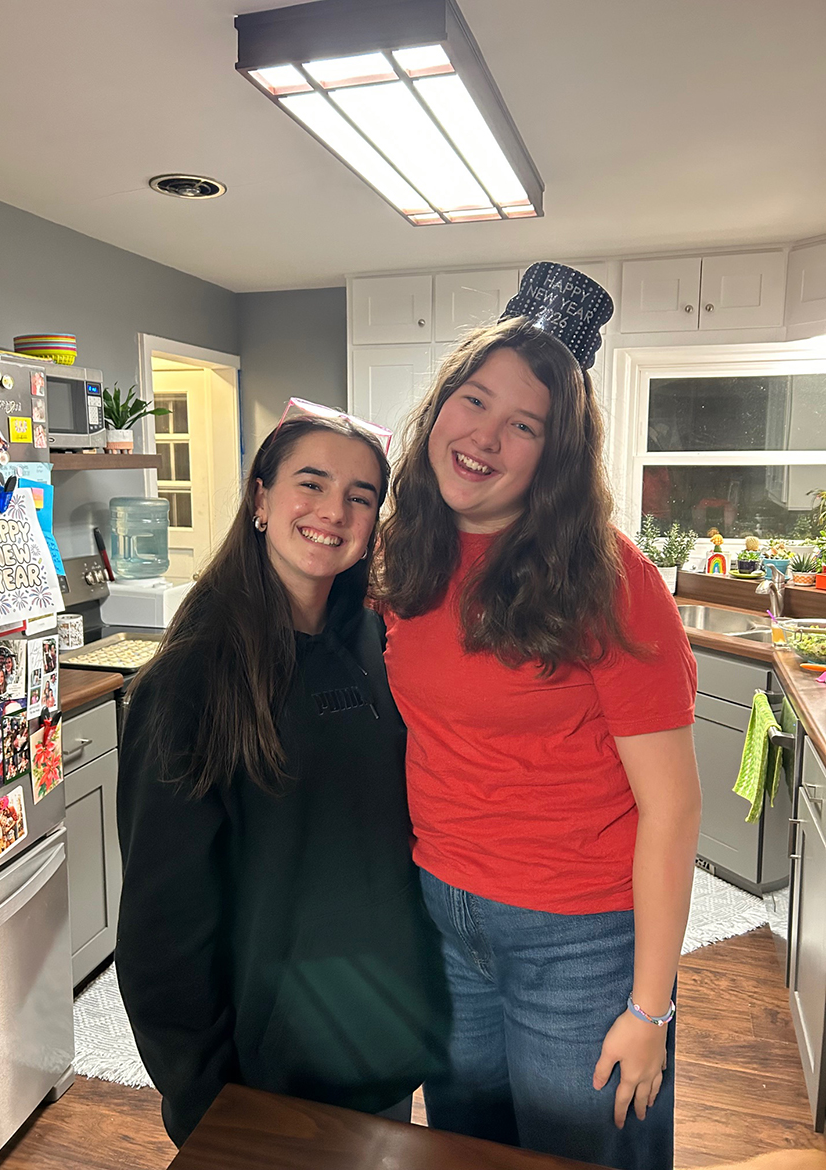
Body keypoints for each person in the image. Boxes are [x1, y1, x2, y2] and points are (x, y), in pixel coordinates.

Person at [376, 262, 701, 1170]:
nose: (485, 437)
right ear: (440, 406)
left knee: (584, 1154)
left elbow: (673, 809)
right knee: (468, 1145)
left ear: (555, 456)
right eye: (474, 401)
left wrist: (649, 1008)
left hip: (581, 937)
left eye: (526, 425)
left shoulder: (612, 581)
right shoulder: (407, 553)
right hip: (441, 912)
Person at [115, 409, 448, 1148]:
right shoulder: (189, 682)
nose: (334, 511)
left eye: (361, 496)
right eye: (312, 483)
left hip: (381, 1044)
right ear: (261, 499)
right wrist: (205, 1097)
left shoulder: (380, 646)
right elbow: (162, 926)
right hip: (262, 1075)